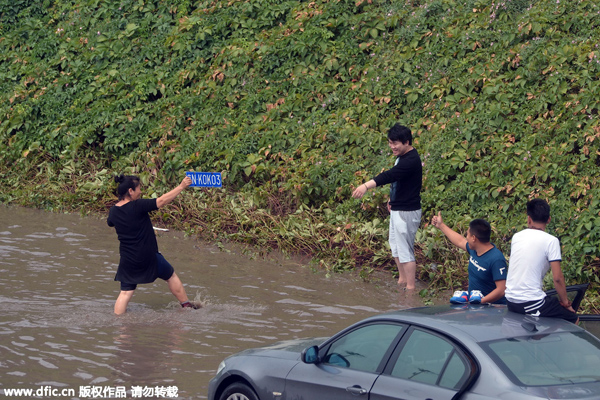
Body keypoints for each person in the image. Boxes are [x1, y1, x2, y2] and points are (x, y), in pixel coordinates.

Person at [107, 174, 199, 315]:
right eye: (139, 188)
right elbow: (161, 201)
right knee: (171, 276)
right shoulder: (138, 206)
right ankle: (186, 306)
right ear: (130, 191)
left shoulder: (113, 211)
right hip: (147, 256)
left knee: (125, 293)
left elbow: (110, 223)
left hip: (127, 259)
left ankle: (119, 326)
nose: (140, 191)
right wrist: (181, 186)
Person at [352, 123, 422, 290]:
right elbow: (400, 181)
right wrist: (392, 199)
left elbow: (391, 175)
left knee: (405, 250)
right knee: (395, 247)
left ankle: (411, 289)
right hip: (398, 208)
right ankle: (402, 280)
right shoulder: (403, 156)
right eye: (390, 143)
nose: (392, 147)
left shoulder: (411, 160)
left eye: (395, 143)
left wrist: (366, 186)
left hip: (407, 211)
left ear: (406, 142)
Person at [505, 198, 578, 323]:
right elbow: (557, 278)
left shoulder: (517, 237)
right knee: (572, 318)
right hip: (530, 301)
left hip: (510, 300)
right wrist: (566, 303)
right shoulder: (551, 241)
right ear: (548, 219)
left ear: (529, 219)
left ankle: (537, 338)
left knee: (549, 310)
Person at [431, 212, 507, 304]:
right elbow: (460, 241)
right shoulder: (475, 249)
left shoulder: (496, 259)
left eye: (467, 235)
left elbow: (502, 290)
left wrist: (480, 302)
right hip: (475, 306)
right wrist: (441, 225)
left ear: (474, 238)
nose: (466, 238)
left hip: (492, 309)